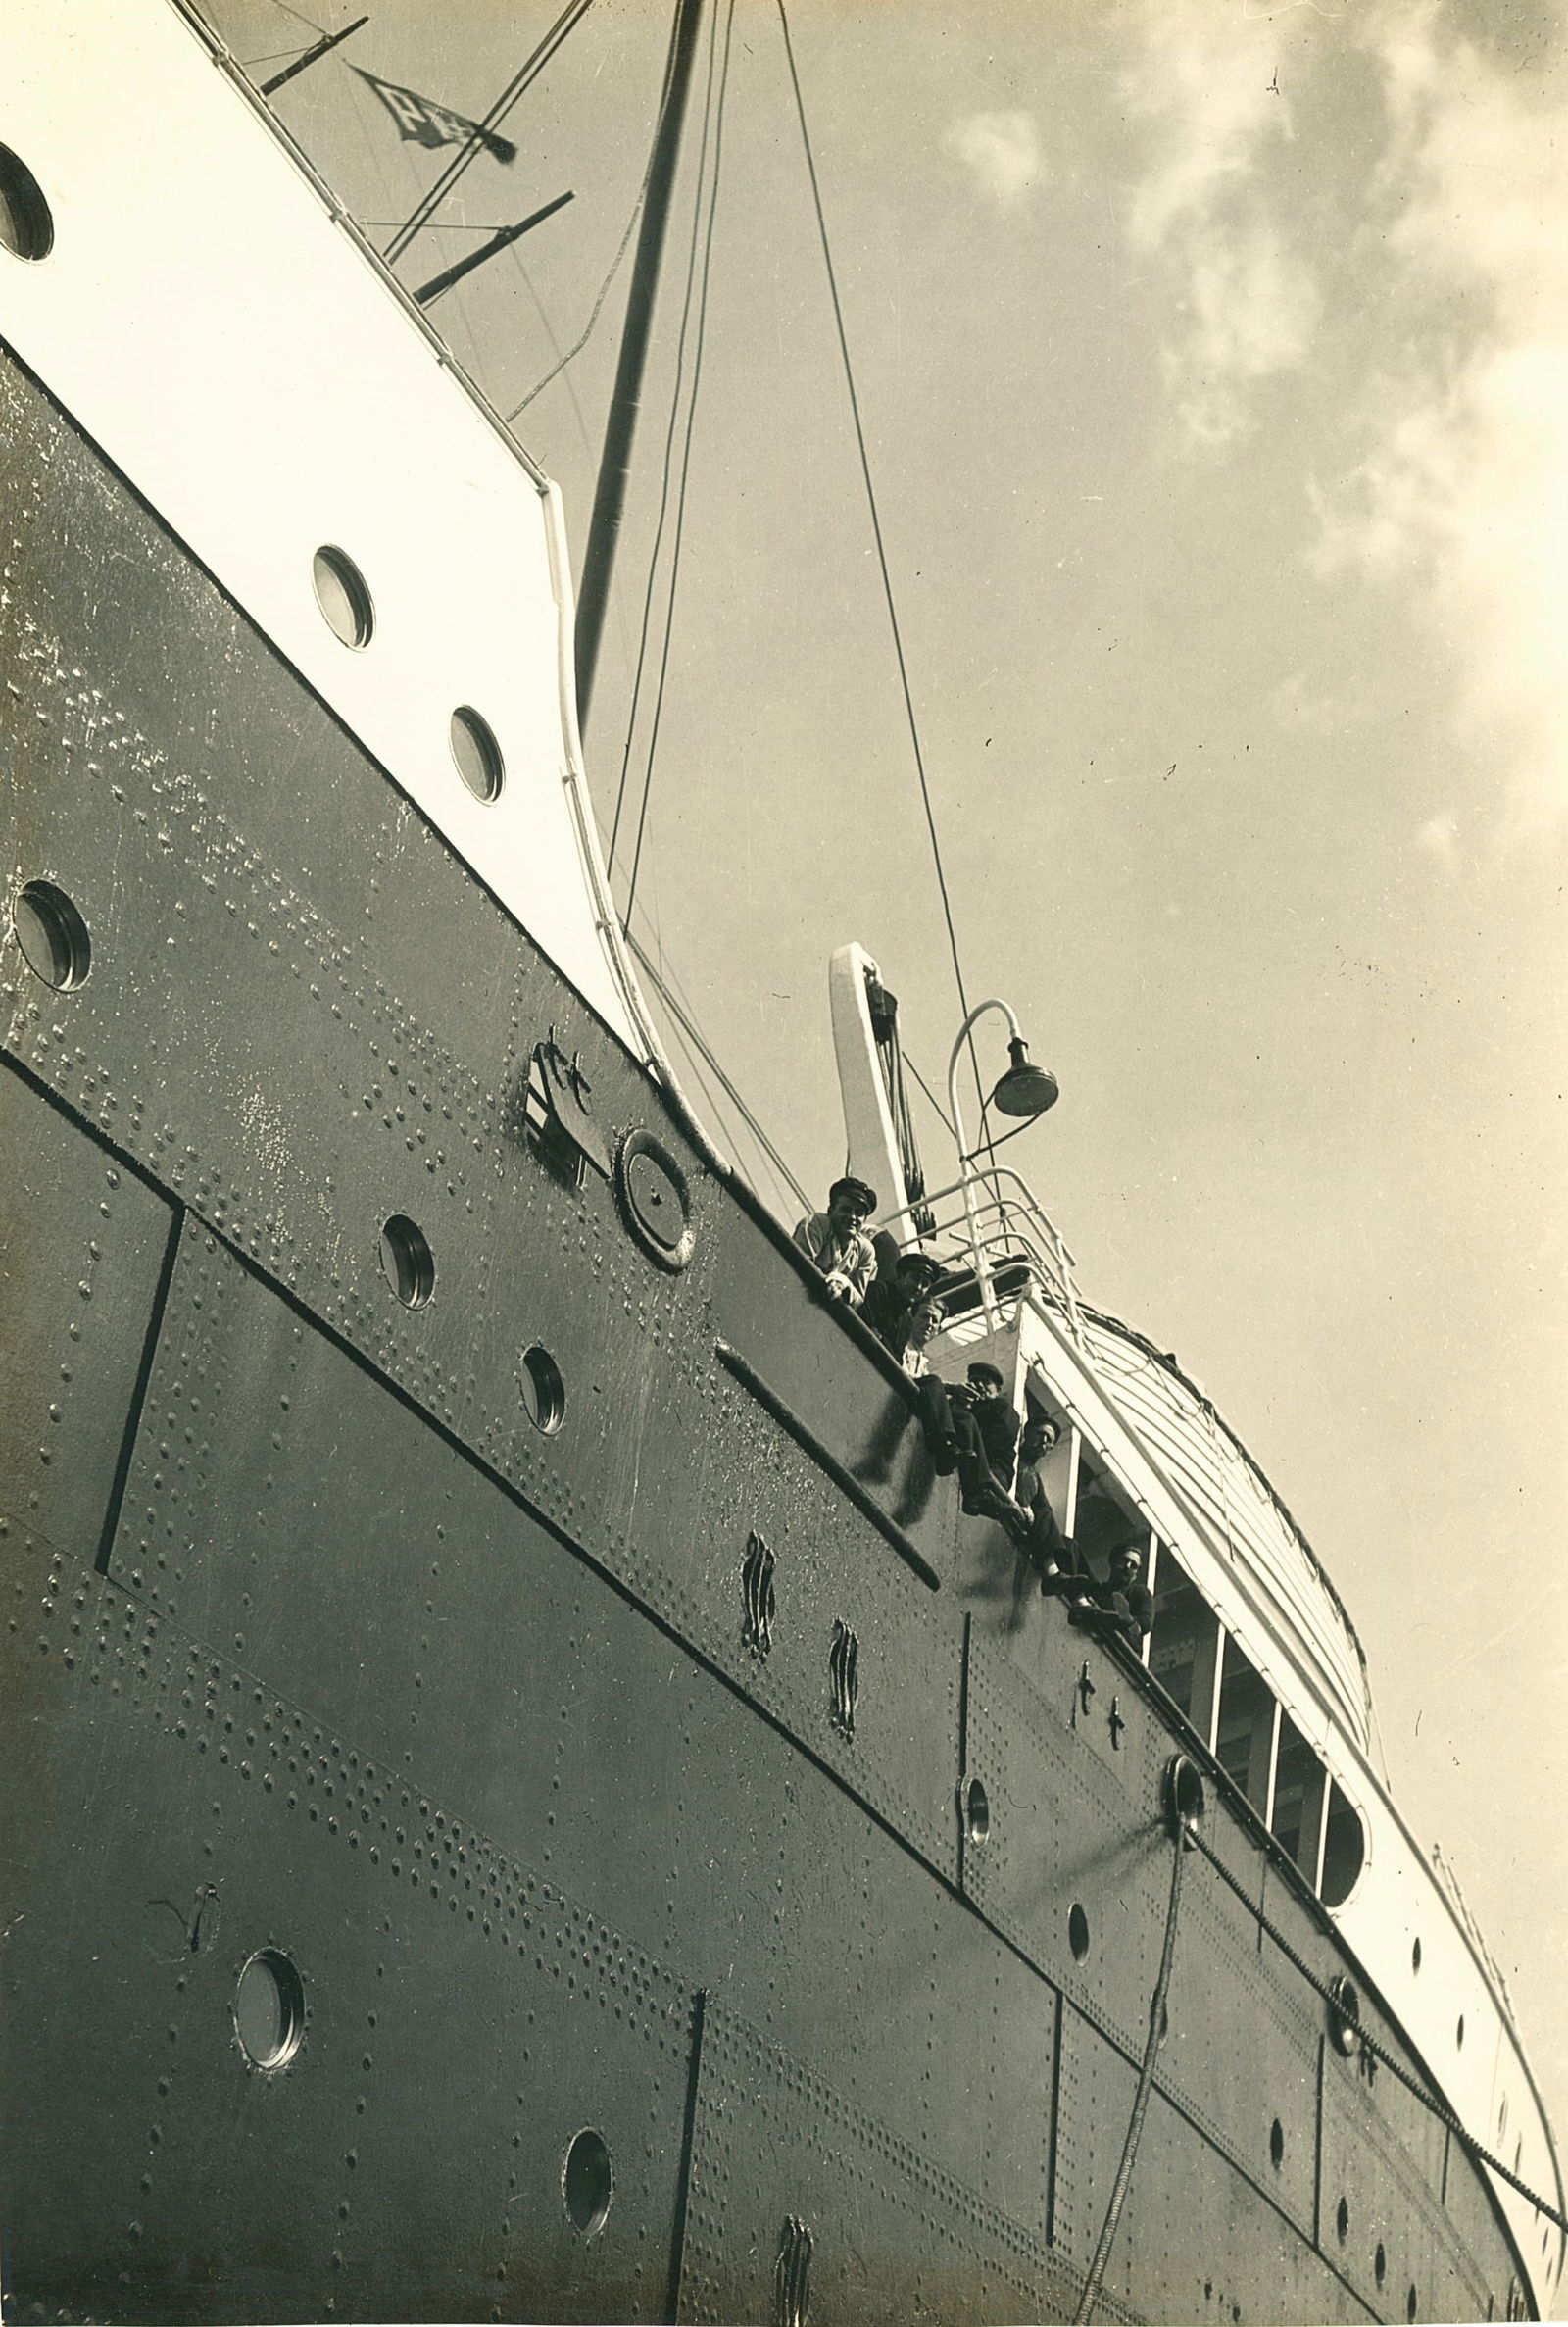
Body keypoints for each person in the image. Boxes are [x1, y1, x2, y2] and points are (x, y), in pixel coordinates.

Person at [1012, 1411, 1081, 1584]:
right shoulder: (1012, 1456)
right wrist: (1022, 1505)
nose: (1043, 1442)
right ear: (1027, 1433)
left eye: (1048, 1440)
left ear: (1048, 1450)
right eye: (1040, 1434)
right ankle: (1051, 1572)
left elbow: (1043, 1508)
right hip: (1009, 1519)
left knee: (1070, 1544)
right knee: (1045, 1514)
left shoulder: (1034, 1477)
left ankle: (1069, 1585)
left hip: (1025, 1528)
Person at [792, 1178, 878, 1308]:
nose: (852, 1217)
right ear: (831, 1210)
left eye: (859, 1213)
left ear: (865, 1220)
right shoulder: (818, 1224)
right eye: (846, 1209)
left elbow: (859, 1301)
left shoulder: (864, 1251)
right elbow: (797, 1265)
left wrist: (845, 1283)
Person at [1069, 1542, 1154, 1650]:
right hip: (1085, 1637)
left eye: (1133, 1566)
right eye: (1124, 1560)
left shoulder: (1139, 1592)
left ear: (1136, 1575)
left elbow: (1145, 1623)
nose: (1127, 1567)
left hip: (1118, 1646)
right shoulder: (1097, 1589)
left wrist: (1125, 1618)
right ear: (1113, 1561)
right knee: (1071, 1546)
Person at [861, 1247, 944, 1356]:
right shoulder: (880, 1292)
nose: (918, 1287)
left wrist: (880, 1338)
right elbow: (862, 1327)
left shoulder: (907, 1321)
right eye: (915, 1278)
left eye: (925, 1284)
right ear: (900, 1276)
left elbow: (897, 1357)